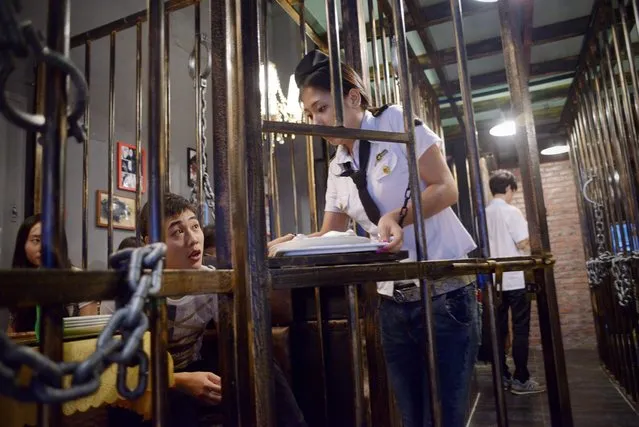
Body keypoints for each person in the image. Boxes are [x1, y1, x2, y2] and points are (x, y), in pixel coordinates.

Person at [291, 49, 479, 427]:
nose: (317, 121)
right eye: (310, 114)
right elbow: (330, 233)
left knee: (445, 415)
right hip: (392, 301)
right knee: (410, 416)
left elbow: (446, 188)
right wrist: (291, 243)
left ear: (353, 97)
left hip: (443, 290)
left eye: (323, 108)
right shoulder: (338, 166)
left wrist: (399, 216)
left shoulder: (393, 122)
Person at [108, 193, 306, 427]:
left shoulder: (212, 280)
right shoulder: (130, 288)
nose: (193, 239)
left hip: (194, 365)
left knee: (261, 362)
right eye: (177, 232)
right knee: (174, 402)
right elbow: (117, 369)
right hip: (145, 378)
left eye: (195, 226)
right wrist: (179, 381)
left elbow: (234, 341)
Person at [486, 170, 545, 395]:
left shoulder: (483, 213)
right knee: (520, 329)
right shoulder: (511, 211)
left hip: (493, 280)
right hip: (515, 278)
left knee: (498, 330)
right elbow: (522, 243)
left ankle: (501, 376)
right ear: (510, 188)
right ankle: (521, 379)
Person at [8, 214, 97, 333]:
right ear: (23, 245)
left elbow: (89, 335)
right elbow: (13, 335)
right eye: (36, 240)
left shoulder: (81, 281)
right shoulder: (20, 283)